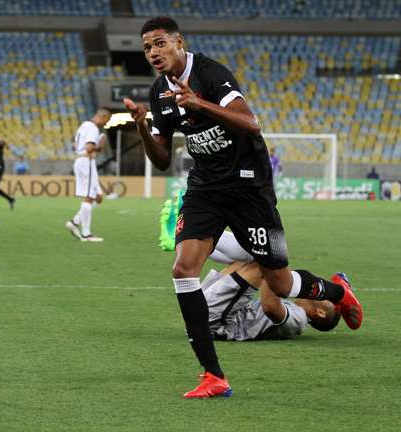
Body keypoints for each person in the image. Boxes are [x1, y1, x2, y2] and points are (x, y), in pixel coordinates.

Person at [123, 16, 362, 398]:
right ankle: (212, 376)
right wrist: (141, 126)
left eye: (159, 43)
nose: (153, 52)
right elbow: (163, 160)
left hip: (250, 187)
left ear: (178, 41)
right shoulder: (158, 93)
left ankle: (335, 292)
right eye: (147, 47)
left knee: (280, 284)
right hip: (205, 187)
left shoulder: (211, 74)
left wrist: (198, 102)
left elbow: (251, 123)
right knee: (183, 267)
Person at [203, 231, 353, 342]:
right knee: (253, 256)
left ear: (320, 312)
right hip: (212, 312)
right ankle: (195, 238)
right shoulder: (295, 311)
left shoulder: (299, 320)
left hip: (216, 324)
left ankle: (198, 233)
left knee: (265, 257)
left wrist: (276, 272)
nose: (322, 294)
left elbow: (270, 307)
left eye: (326, 298)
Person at [64, 108, 111, 242]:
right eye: (106, 121)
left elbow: (74, 145)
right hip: (86, 161)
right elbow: (89, 148)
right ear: (102, 117)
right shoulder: (93, 128)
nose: (104, 124)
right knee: (90, 196)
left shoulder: (83, 125)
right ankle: (86, 234)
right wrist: (100, 147)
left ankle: (75, 221)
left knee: (98, 196)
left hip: (82, 160)